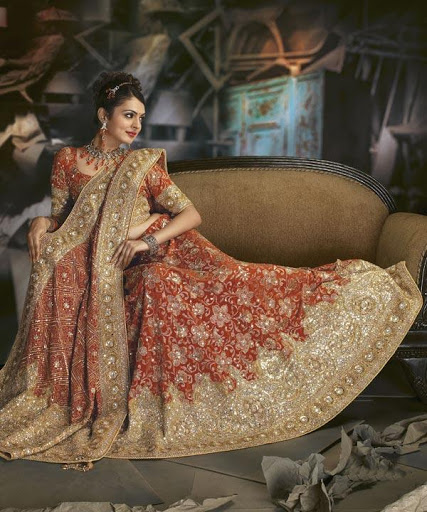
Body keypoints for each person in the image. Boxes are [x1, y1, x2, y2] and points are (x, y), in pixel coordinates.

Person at [0, 71, 422, 472]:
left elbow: (190, 215)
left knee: (181, 282)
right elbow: (65, 219)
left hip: (155, 258)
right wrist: (41, 222)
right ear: (102, 116)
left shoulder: (143, 166)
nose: (136, 126)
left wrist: (147, 240)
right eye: (128, 115)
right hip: (100, 267)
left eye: (140, 118)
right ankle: (56, 393)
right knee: (65, 263)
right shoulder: (67, 160)